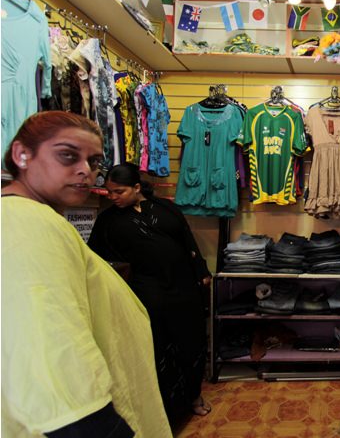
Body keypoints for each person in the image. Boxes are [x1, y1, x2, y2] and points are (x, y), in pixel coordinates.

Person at [1, 111, 172, 438]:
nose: (85, 171)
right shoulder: (26, 222)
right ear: (22, 154)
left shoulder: (33, 218)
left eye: (94, 162)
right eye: (67, 155)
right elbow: (51, 357)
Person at [87, 162, 213, 420]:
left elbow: (187, 240)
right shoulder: (107, 221)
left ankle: (193, 396)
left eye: (119, 191)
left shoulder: (166, 209)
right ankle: (164, 411)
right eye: (109, 192)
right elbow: (96, 259)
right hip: (146, 293)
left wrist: (201, 270)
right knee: (156, 348)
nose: (112, 197)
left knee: (191, 342)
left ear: (136, 187)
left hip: (183, 289)